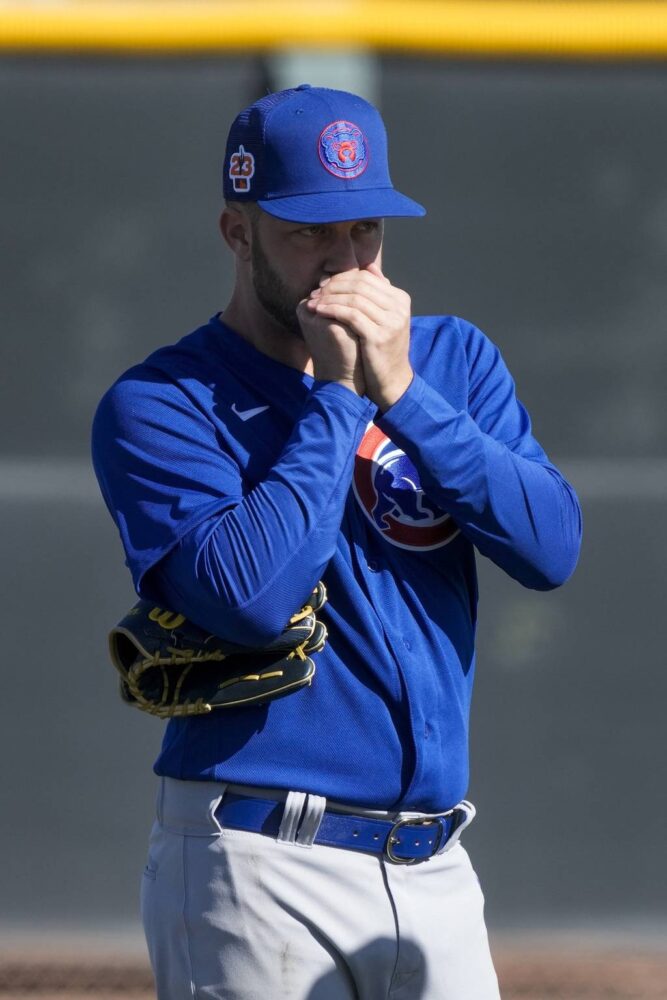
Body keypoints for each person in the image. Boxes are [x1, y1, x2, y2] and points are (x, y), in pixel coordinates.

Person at [92, 84, 582, 999]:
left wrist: (406, 394)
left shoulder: (451, 361)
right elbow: (249, 598)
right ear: (237, 232)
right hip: (258, 859)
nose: (344, 262)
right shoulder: (162, 403)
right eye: (308, 233)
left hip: (435, 863)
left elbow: (550, 548)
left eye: (364, 230)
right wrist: (341, 397)